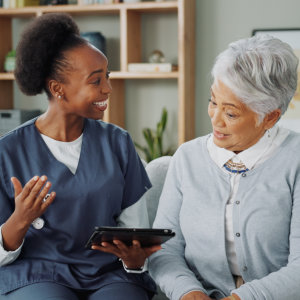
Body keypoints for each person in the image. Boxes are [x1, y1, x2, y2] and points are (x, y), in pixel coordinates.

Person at [0, 13, 160, 300]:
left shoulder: (118, 143)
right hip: (37, 274)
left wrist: (135, 258)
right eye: (96, 81)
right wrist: (20, 220)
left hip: (109, 274)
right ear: (57, 89)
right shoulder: (8, 151)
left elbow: (136, 230)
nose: (107, 89)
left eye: (107, 76)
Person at [148, 34, 300, 300]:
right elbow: (165, 249)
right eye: (213, 102)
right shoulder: (187, 158)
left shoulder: (294, 160)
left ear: (270, 117)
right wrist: (188, 292)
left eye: (231, 113)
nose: (215, 119)